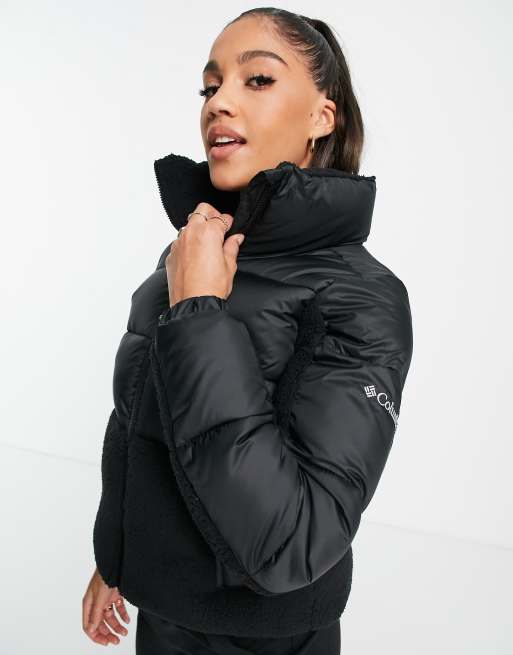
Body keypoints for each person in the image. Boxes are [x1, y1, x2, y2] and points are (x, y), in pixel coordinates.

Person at [82, 7, 413, 654]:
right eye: (209, 86)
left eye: (257, 79)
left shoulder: (362, 296)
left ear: (322, 116)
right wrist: (117, 556)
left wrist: (200, 314)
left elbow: (296, 541)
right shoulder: (192, 253)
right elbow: (139, 427)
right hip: (162, 615)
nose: (218, 102)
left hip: (270, 640)